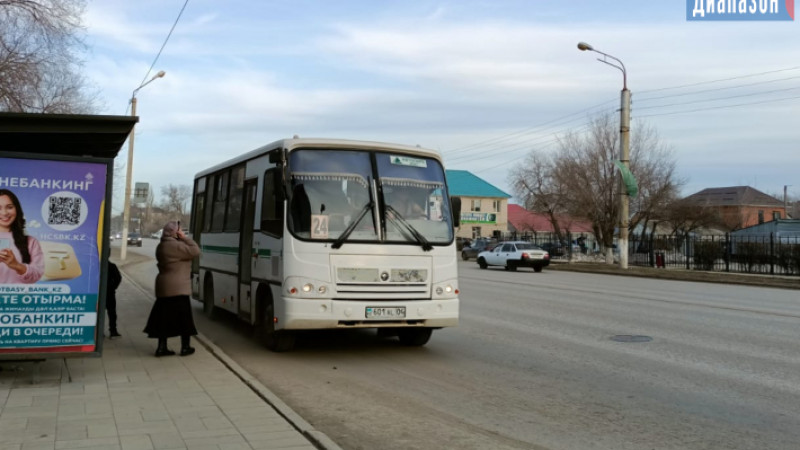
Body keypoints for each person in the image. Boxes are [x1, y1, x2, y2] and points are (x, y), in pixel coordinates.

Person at [143, 221, 201, 357]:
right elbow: (195, 250)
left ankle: (162, 347)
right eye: (178, 230)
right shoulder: (175, 246)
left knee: (163, 319)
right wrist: (185, 237)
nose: (180, 232)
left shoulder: (161, 245)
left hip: (164, 287)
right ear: (175, 232)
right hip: (178, 287)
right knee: (184, 319)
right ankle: (185, 347)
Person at [0, 189, 44, 284]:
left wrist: (16, 265)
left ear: (17, 209)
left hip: (19, 297)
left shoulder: (30, 242)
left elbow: (37, 274)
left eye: (9, 207)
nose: (4, 213)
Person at [106, 261, 122, 338]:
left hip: (98, 292)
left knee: (98, 312)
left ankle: (98, 331)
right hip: (109, 292)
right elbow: (118, 278)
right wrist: (113, 287)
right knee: (112, 313)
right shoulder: (111, 266)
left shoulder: (95, 264)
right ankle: (113, 331)